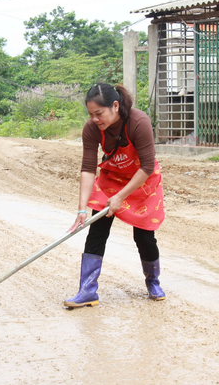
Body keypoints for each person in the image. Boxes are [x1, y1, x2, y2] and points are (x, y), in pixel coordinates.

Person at [64, 83, 165, 308]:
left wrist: (121, 196)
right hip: (112, 179)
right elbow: (88, 168)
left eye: (99, 113)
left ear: (115, 106)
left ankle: (153, 282)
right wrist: (81, 209)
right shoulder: (91, 129)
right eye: (91, 114)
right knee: (97, 229)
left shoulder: (138, 122)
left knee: (144, 236)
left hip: (142, 181)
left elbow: (147, 166)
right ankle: (87, 290)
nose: (95, 119)